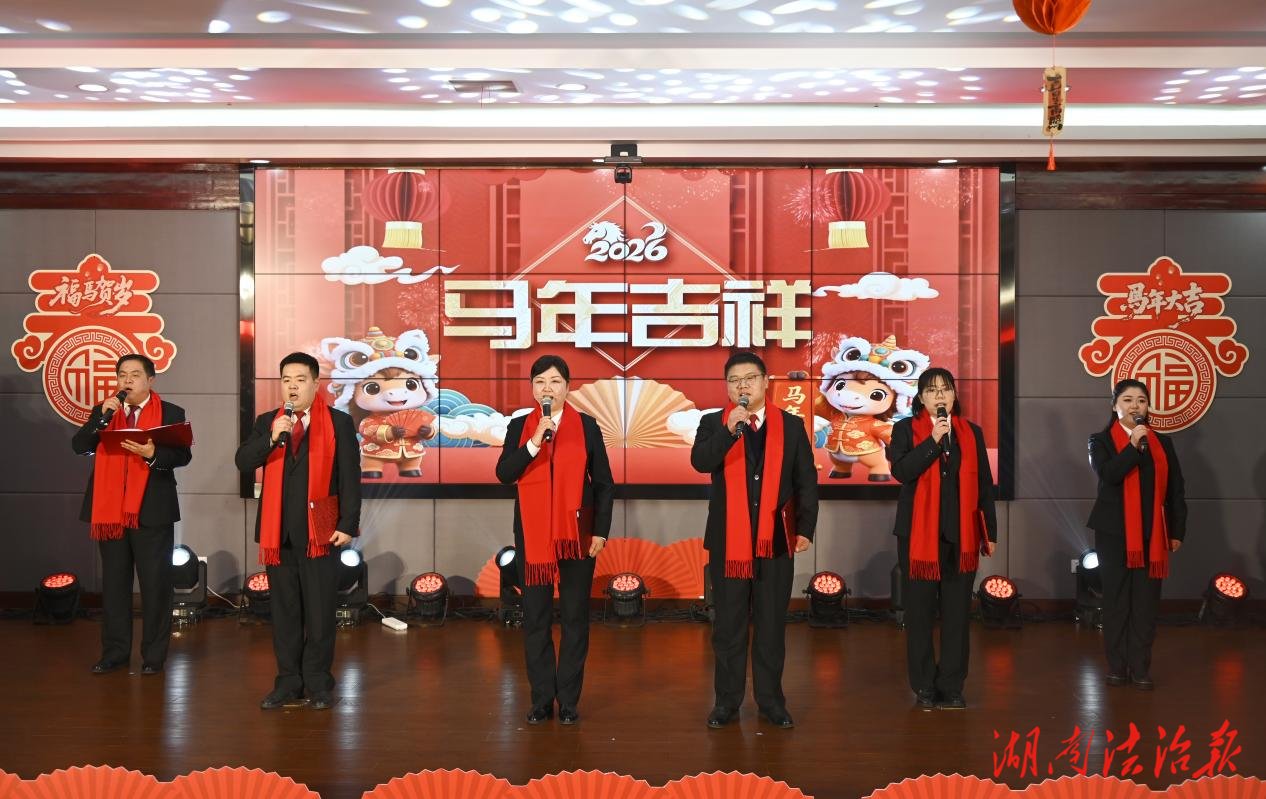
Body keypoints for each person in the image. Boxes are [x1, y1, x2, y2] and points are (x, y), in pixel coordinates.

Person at [691, 352, 818, 729]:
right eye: (734, 380)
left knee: (771, 625)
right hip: (729, 542)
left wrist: (805, 528)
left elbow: (806, 480)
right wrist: (728, 431)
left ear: (765, 382)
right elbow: (701, 462)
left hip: (775, 540)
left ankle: (771, 702)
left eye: (749, 378)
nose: (742, 386)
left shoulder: (791, 426)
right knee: (728, 627)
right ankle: (726, 703)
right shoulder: (714, 423)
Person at [235, 352, 361, 710]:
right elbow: (243, 461)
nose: (292, 386)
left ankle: (318, 682)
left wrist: (347, 524)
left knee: (320, 613)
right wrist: (272, 437)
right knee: (285, 612)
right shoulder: (269, 422)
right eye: (286, 380)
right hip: (278, 532)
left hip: (321, 530)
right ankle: (288, 681)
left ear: (316, 383)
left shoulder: (338, 422)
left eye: (300, 379)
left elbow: (350, 477)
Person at [496, 355, 614, 726]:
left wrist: (601, 530)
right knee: (536, 618)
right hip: (534, 538)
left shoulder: (587, 426)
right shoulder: (520, 427)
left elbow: (604, 483)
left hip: (577, 537)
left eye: (555, 381)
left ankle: (569, 700)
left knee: (576, 618)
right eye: (540, 382)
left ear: (567, 386)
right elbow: (504, 473)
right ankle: (541, 699)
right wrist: (533, 443)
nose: (548, 388)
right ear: (532, 388)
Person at [72, 354, 192, 675]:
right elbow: (80, 446)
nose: (127, 380)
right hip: (111, 512)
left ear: (150, 380)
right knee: (114, 585)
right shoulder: (104, 410)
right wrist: (100, 420)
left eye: (135, 375)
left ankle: (153, 656)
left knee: (155, 586)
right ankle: (115, 653)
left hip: (152, 511)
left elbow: (182, 456)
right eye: (122, 374)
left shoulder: (170, 412)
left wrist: (153, 454)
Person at [888, 367, 997, 711]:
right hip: (917, 537)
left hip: (960, 536)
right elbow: (902, 472)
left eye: (945, 389)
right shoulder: (904, 430)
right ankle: (923, 685)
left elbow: (984, 484)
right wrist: (933, 441)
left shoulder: (971, 432)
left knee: (957, 615)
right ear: (921, 398)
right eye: (932, 390)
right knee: (919, 614)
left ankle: (952, 686)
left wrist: (990, 532)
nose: (939, 395)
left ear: (954, 396)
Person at [1086, 379, 1187, 691]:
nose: (1135, 406)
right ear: (1115, 405)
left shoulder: (1162, 443)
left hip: (1152, 533)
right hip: (1114, 534)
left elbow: (1176, 490)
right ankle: (1117, 667)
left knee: (1145, 603)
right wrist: (1133, 445)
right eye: (1128, 400)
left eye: (1141, 400)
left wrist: (1177, 530)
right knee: (1117, 601)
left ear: (1148, 406)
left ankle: (1141, 667)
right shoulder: (1100, 441)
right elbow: (1110, 474)